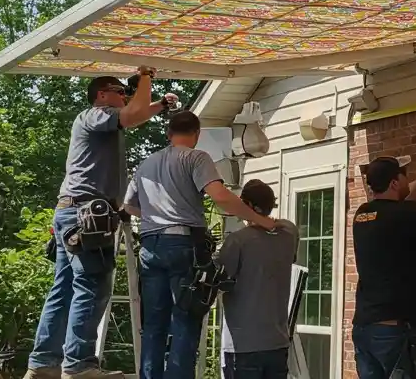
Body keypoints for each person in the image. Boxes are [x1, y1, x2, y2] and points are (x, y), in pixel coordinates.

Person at [25, 68, 177, 379]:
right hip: (87, 215)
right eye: (118, 90)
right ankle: (79, 366)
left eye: (125, 90)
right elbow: (132, 114)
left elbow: (136, 114)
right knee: (91, 287)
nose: (124, 95)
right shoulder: (95, 115)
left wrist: (159, 104)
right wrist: (145, 77)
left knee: (64, 288)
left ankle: (43, 365)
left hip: (73, 211)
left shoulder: (101, 120)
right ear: (101, 95)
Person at [122, 111, 278, 379]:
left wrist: (154, 216)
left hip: (149, 246)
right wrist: (259, 219)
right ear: (197, 134)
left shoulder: (146, 164)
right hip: (182, 244)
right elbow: (221, 197)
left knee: (154, 324)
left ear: (169, 134)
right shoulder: (196, 157)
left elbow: (128, 206)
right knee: (185, 318)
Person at [351, 156, 416, 379]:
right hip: (395, 332)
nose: (407, 181)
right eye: (403, 176)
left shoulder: (363, 213)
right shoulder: (403, 215)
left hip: (365, 329)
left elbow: (403, 203)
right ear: (394, 183)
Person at [215, 180, 299, 379]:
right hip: (277, 343)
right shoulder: (288, 235)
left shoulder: (237, 241)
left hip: (243, 345)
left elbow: (217, 279)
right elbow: (284, 224)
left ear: (247, 206)